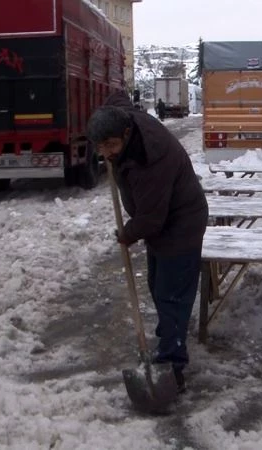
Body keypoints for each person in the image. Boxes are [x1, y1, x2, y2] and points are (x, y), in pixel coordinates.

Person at [88, 92, 208, 394]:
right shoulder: (123, 119)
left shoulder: (150, 159)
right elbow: (116, 98)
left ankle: (173, 362)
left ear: (126, 133)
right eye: (99, 148)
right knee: (159, 286)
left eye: (111, 146)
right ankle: (169, 336)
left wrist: (127, 234)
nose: (105, 154)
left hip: (180, 226)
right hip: (161, 226)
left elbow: (152, 218)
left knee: (172, 295)